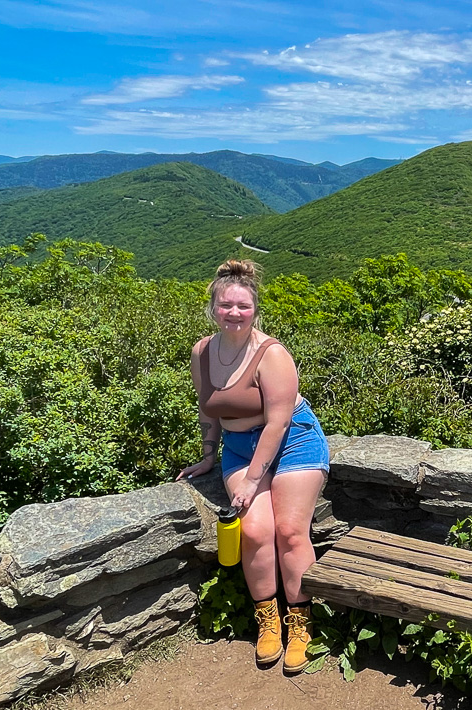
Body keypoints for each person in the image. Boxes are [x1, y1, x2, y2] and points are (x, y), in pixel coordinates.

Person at [177, 259, 329, 671]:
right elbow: (208, 409)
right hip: (240, 447)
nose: (234, 313)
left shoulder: (272, 353)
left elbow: (278, 422)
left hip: (293, 441)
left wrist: (252, 481)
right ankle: (268, 621)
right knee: (256, 530)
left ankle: (299, 621)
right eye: (226, 305)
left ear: (255, 309)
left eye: (243, 306)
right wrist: (209, 454)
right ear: (213, 308)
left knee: (290, 531)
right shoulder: (202, 352)